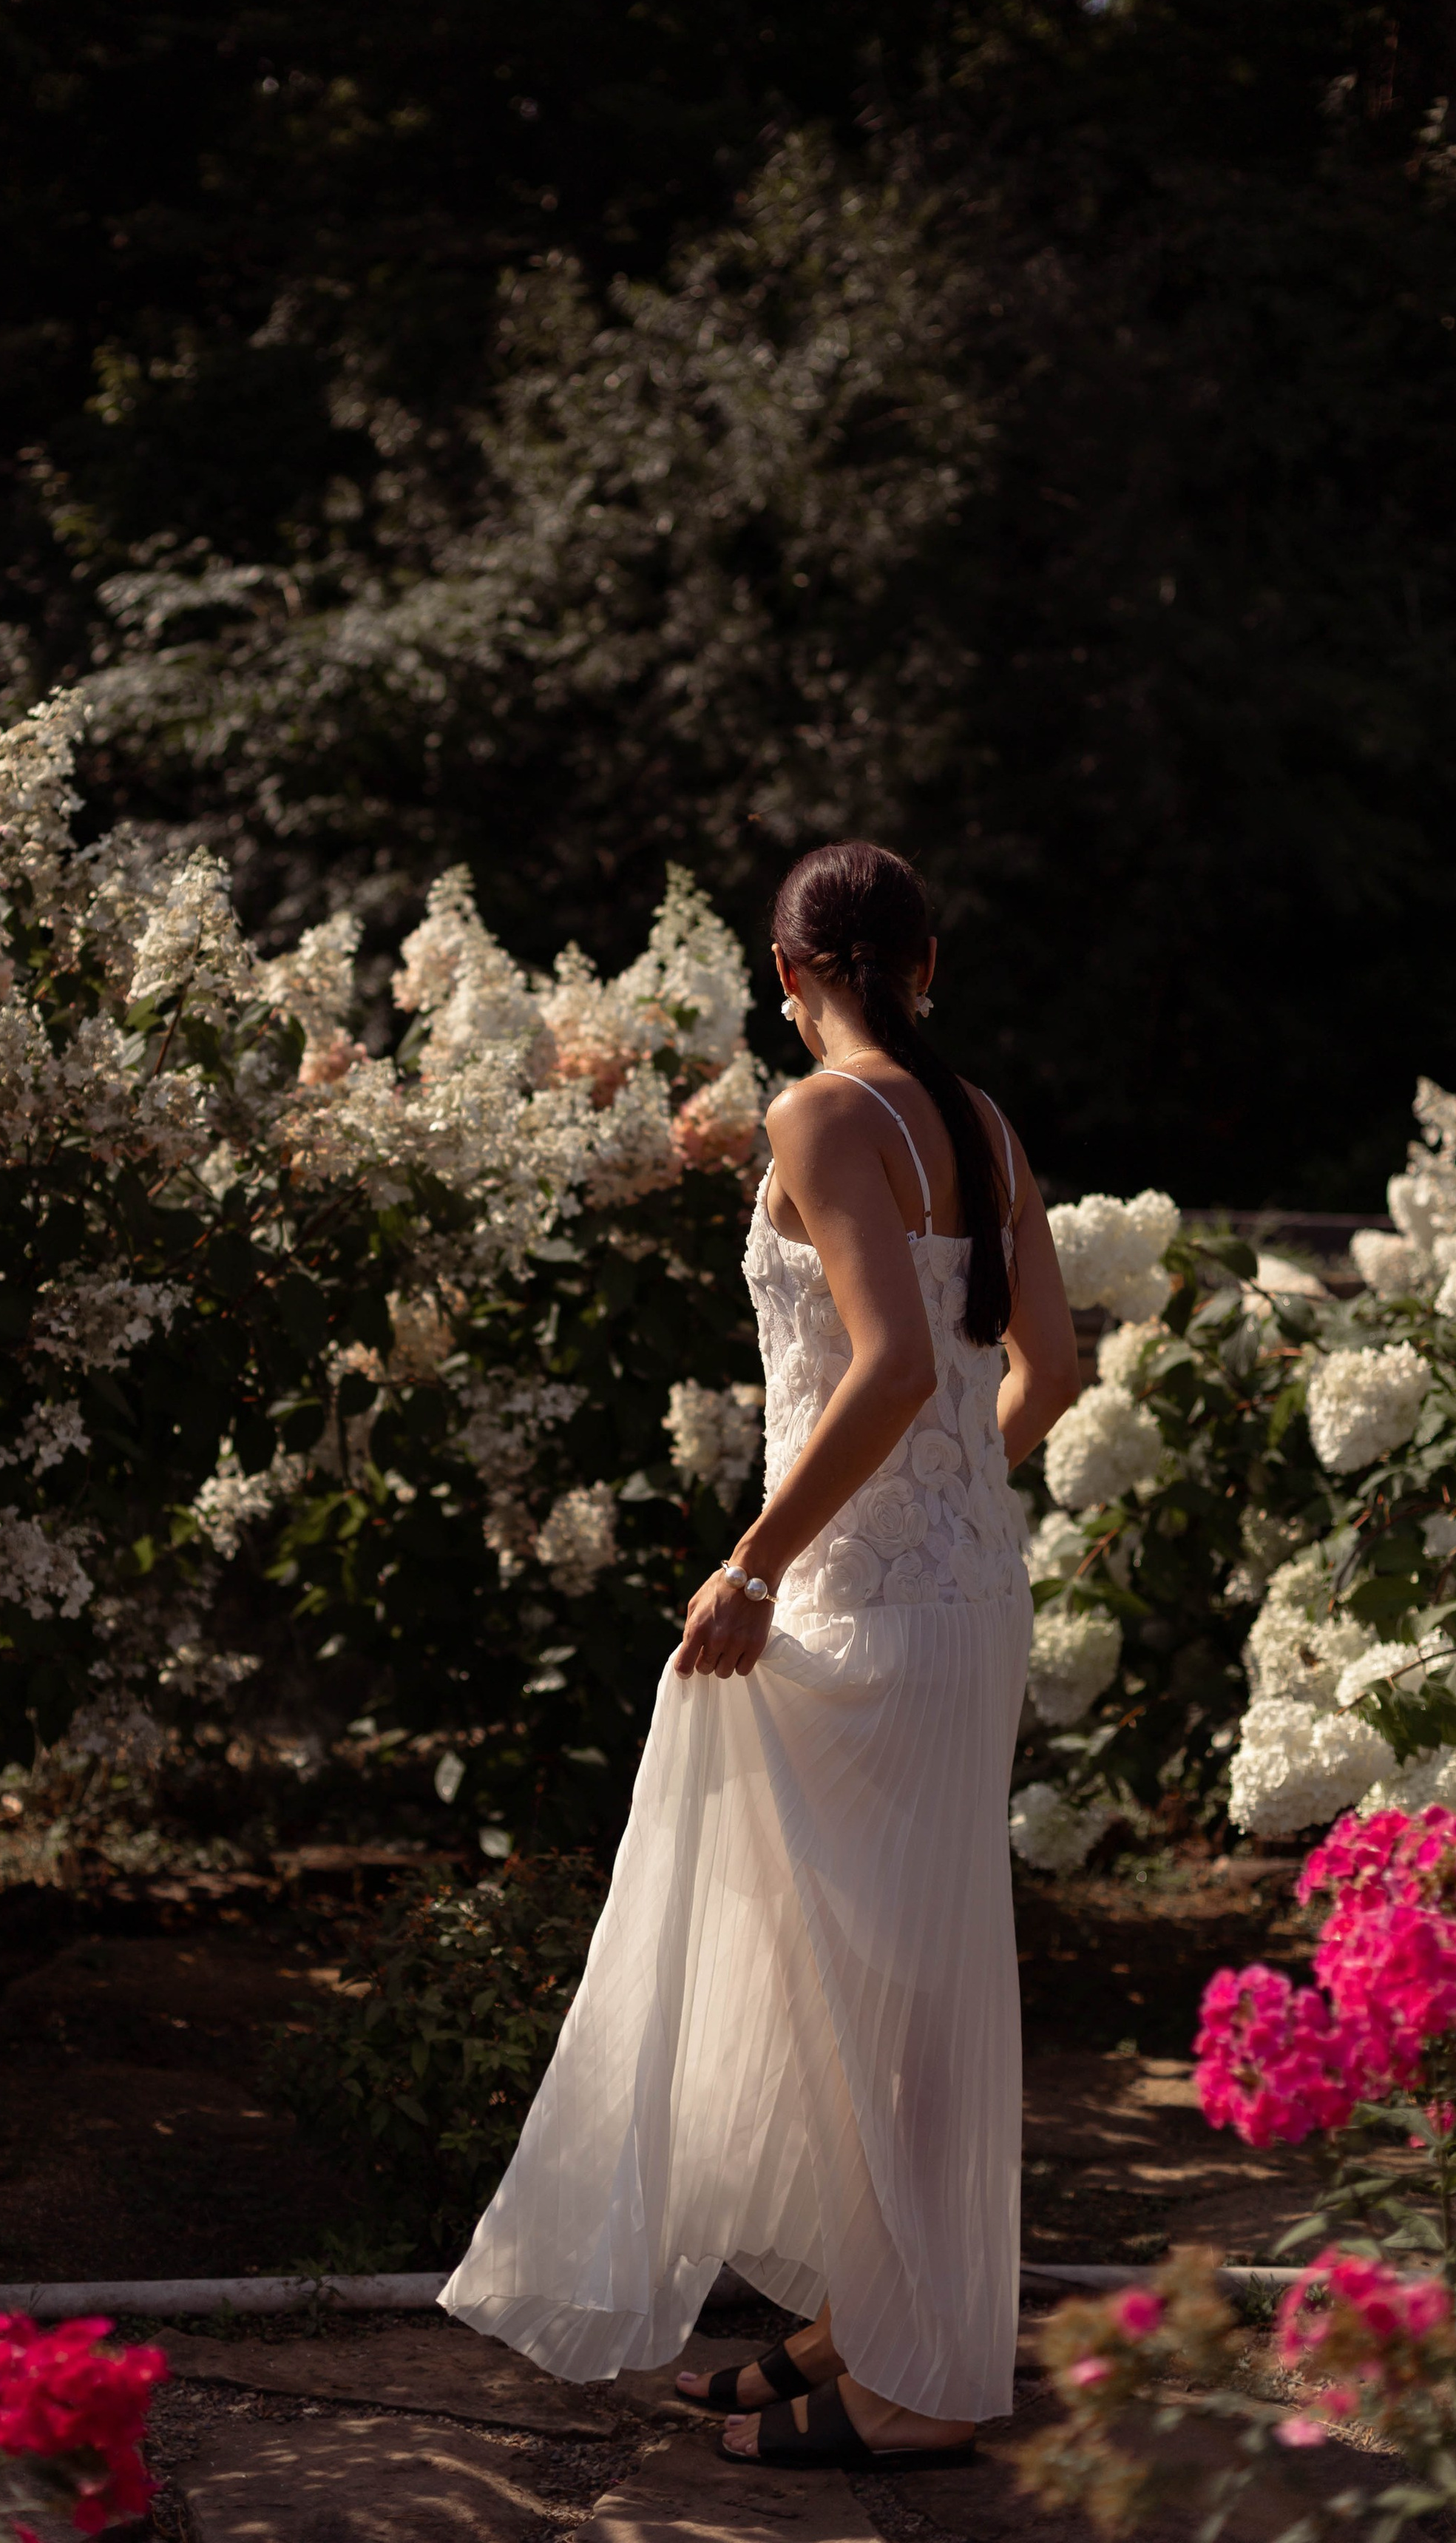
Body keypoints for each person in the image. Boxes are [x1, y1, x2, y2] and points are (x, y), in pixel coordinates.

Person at [438, 840, 1082, 2471]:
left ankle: (925, 2377)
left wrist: (751, 1563)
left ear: (783, 974)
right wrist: (950, 1499)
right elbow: (1048, 1374)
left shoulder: (817, 1114)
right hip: (961, 1596)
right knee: (884, 1986)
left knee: (868, 1994)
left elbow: (877, 1371)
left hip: (858, 1608)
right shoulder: (981, 1120)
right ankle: (885, 2316)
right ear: (923, 965)